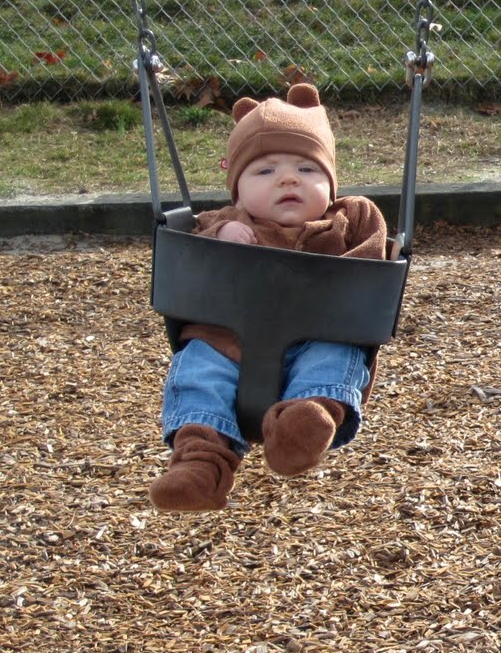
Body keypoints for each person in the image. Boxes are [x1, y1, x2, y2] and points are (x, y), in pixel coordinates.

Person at [149, 83, 389, 513]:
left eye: (308, 168)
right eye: (264, 171)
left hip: (319, 334)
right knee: (198, 373)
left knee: (336, 356)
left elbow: (373, 253)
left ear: (331, 184)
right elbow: (193, 244)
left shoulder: (347, 218)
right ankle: (200, 464)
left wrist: (338, 268)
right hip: (226, 341)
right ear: (237, 189)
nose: (288, 178)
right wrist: (221, 235)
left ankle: (304, 425)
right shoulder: (226, 220)